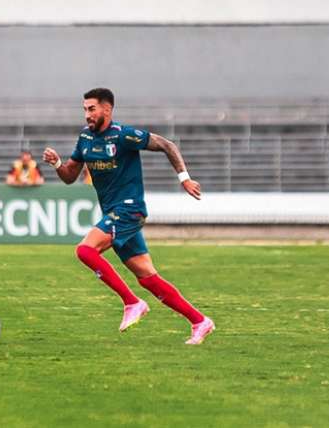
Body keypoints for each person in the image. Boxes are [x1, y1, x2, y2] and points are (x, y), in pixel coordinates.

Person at [42, 88, 214, 345]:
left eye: (92, 109)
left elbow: (168, 145)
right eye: (85, 110)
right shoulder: (85, 138)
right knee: (148, 278)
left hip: (129, 210)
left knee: (85, 251)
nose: (87, 115)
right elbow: (69, 176)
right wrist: (56, 164)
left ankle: (131, 302)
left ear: (107, 110)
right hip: (114, 212)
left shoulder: (123, 136)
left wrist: (185, 179)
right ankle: (200, 321)